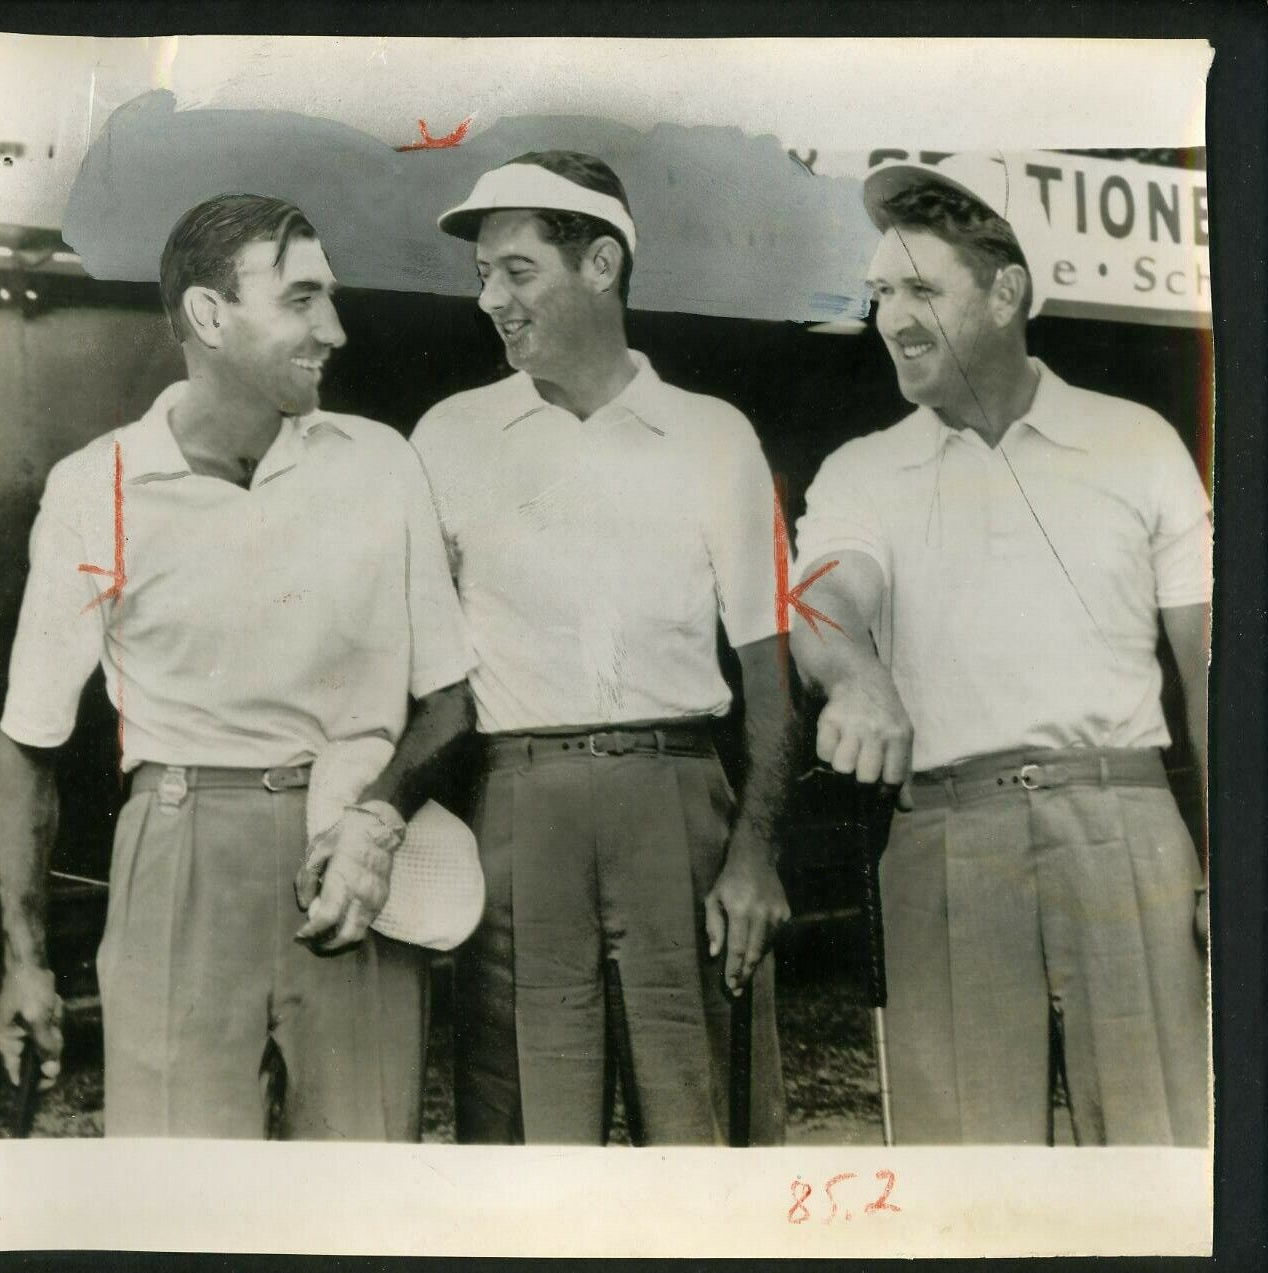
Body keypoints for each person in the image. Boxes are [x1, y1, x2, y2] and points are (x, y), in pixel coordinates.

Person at [0, 193, 477, 1139]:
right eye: (300, 299)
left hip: (357, 855)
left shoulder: (380, 463)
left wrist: (376, 823)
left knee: (363, 1200)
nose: (332, 328)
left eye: (328, 298)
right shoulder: (99, 486)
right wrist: (24, 958)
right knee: (179, 1203)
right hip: (179, 853)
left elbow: (449, 702)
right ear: (209, 316)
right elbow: (25, 748)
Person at [789, 153, 1210, 1145]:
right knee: (963, 1191)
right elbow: (820, 596)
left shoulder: (1137, 442)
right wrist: (855, 679)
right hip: (944, 837)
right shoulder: (864, 467)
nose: (890, 315)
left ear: (1007, 289)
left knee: (1159, 1163)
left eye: (921, 288)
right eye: (881, 290)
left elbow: (1211, 670)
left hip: (1124, 829)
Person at [411, 151, 793, 1145]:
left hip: (678, 809)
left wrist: (753, 853)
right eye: (481, 276)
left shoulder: (714, 436)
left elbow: (768, 675)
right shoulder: (447, 436)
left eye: (517, 270)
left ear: (602, 263)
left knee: (702, 1128)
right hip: (515, 807)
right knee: (529, 1145)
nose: (490, 297)